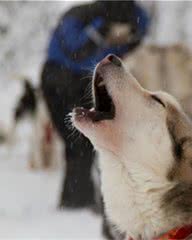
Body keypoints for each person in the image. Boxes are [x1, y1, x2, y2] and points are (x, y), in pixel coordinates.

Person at [40, 0, 149, 209]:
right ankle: (81, 201)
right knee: (79, 141)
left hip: (87, 79)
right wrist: (103, 28)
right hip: (59, 78)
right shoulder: (78, 15)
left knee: (92, 140)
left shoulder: (131, 13)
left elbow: (140, 28)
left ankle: (87, 200)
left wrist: (129, 34)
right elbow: (75, 50)